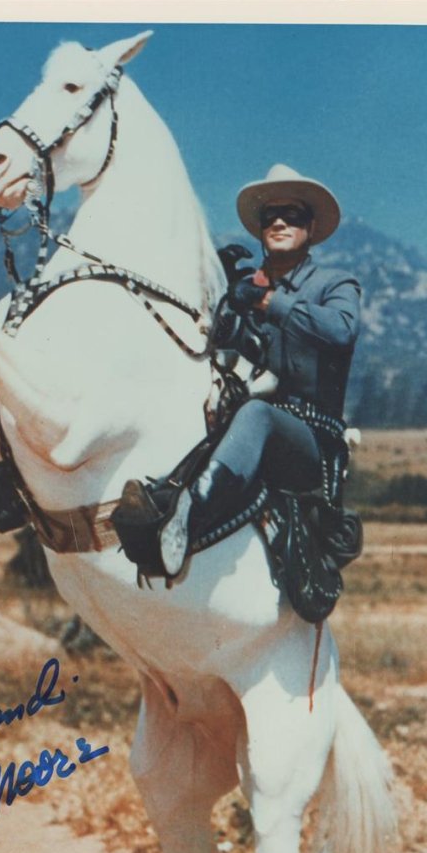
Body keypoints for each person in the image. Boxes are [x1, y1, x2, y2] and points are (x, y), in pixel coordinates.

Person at [157, 163, 362, 578]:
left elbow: (342, 330)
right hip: (244, 419)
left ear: (310, 227)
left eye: (293, 215)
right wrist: (220, 300)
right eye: (271, 216)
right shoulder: (245, 285)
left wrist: (269, 302)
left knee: (257, 415)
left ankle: (189, 515)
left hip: (312, 438)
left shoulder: (336, 284)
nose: (281, 222)